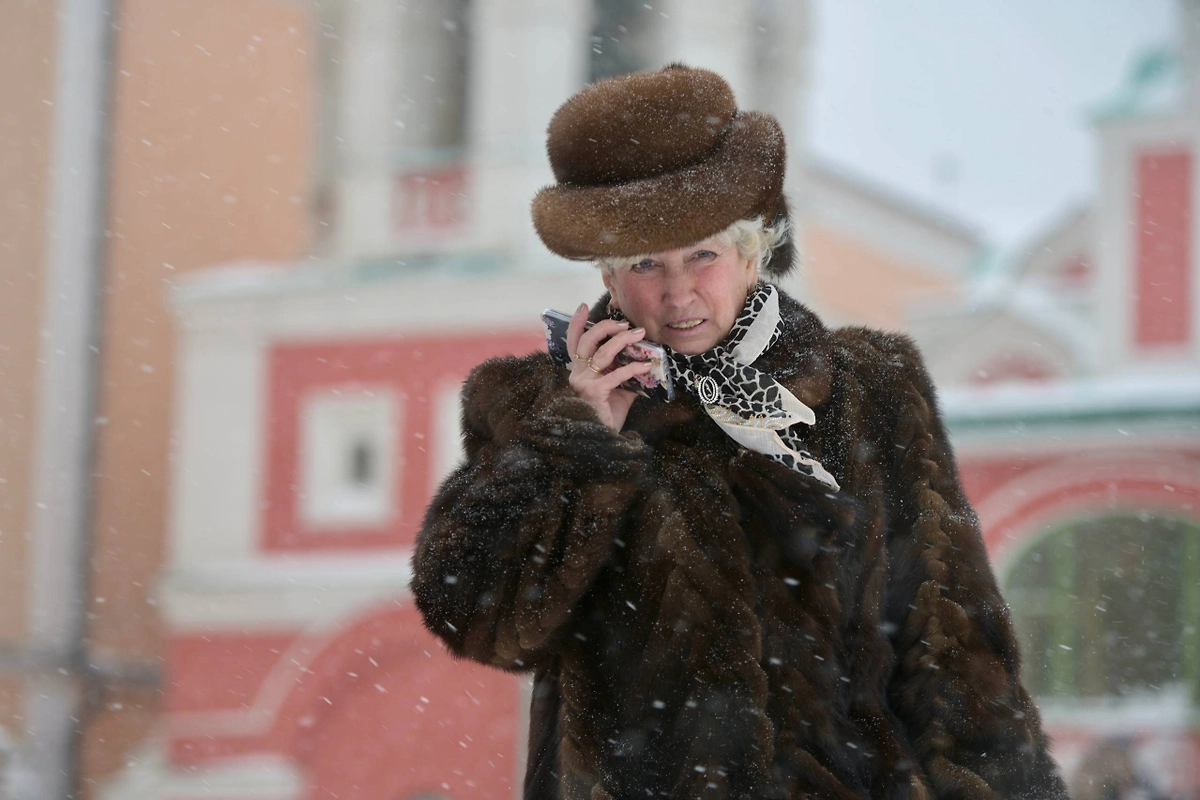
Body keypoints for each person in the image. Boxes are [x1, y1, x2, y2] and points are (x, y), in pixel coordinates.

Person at [411, 65, 1067, 800]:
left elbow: (954, 649)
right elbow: (483, 621)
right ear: (608, 276)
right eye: (645, 264)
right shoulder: (534, 405)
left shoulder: (871, 390)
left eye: (703, 255)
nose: (678, 292)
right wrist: (582, 439)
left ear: (752, 252)